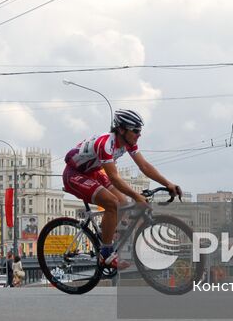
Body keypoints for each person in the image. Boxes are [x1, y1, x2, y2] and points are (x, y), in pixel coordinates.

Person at [62, 109, 181, 270]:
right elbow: (114, 178)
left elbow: (144, 166)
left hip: (93, 172)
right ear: (122, 129)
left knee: (124, 203)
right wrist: (137, 196)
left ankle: (108, 237)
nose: (139, 135)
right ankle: (105, 254)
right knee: (113, 203)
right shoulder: (105, 144)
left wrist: (168, 184)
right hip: (74, 174)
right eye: (136, 131)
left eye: (140, 131)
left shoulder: (128, 144)